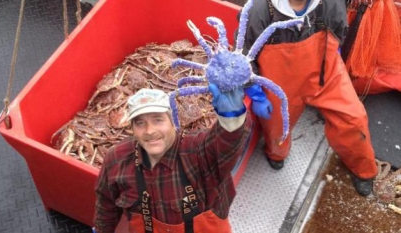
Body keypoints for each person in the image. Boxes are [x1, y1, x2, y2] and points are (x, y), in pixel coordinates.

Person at [238, 0, 378, 196]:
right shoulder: (258, 11)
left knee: (354, 118)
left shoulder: (330, 3)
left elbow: (339, 31)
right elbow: (243, 57)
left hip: (325, 73)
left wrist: (333, 56)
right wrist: (256, 94)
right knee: (277, 128)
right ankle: (276, 154)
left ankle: (364, 170)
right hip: (281, 83)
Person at [93, 85, 254, 233]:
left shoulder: (198, 151)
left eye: (158, 120)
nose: (150, 131)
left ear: (173, 122)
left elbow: (228, 141)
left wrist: (232, 116)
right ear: (132, 129)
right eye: (140, 123)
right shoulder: (116, 159)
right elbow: (106, 208)